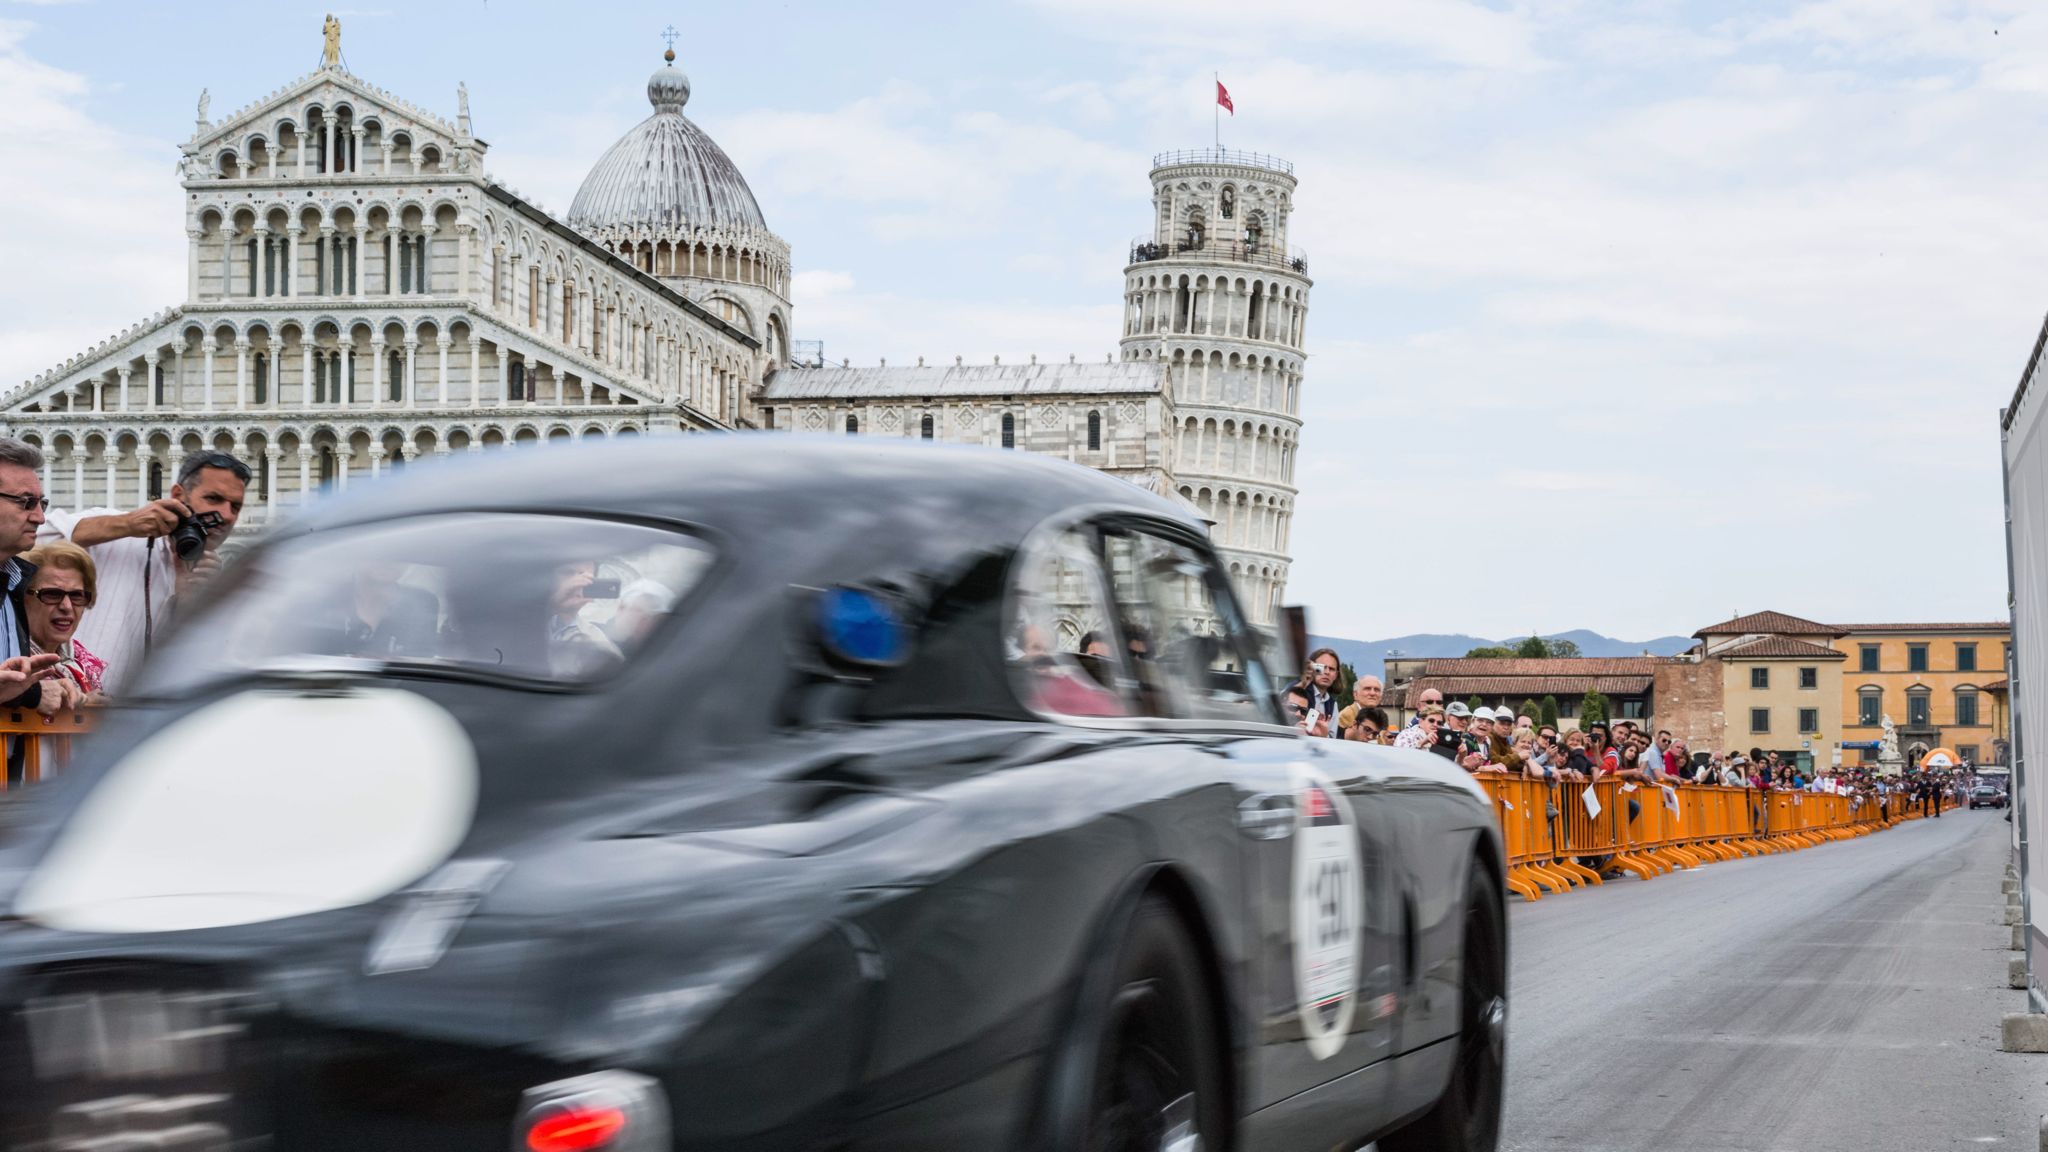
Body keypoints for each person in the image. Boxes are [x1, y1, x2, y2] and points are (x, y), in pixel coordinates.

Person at [38, 449, 248, 693]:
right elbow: (28, 538)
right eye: (213, 499)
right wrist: (127, 524)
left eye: (235, 507)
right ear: (179, 495)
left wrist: (193, 605)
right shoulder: (117, 528)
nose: (225, 515)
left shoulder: (211, 579)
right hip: (62, 717)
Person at [19, 541, 104, 702]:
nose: (67, 606)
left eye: (76, 595)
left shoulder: (83, 661)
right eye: (52, 594)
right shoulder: (8, 656)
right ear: (21, 597)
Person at [1303, 648, 1341, 734]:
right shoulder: (1299, 692)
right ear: (1311, 668)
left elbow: (1332, 737)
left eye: (1331, 669)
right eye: (1322, 667)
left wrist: (1323, 734)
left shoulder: (1333, 705)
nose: (1327, 672)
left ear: (1336, 675)